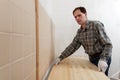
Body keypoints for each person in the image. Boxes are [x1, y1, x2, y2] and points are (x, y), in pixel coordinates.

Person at [53, 6, 112, 76]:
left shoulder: (96, 25)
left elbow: (108, 44)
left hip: (102, 59)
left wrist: (103, 59)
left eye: (79, 15)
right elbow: (72, 46)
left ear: (85, 14)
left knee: (101, 78)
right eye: (75, 17)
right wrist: (60, 57)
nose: (77, 18)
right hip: (91, 58)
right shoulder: (79, 32)